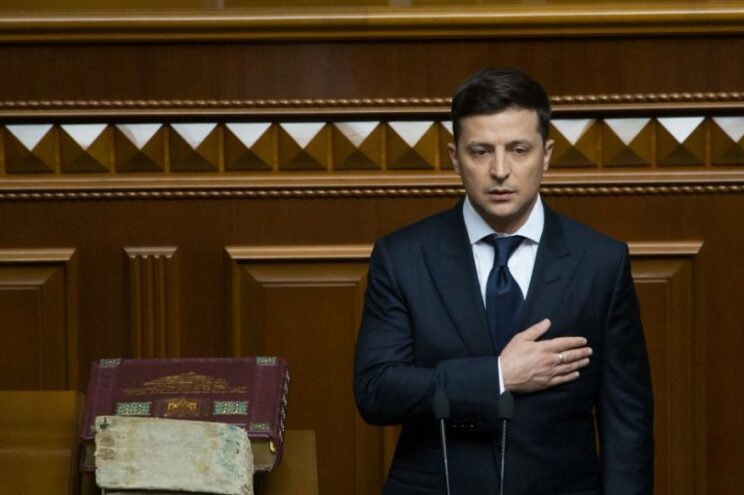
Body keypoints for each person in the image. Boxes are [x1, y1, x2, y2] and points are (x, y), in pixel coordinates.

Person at [353, 67, 654, 494]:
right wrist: (497, 375)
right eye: (480, 151)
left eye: (518, 150)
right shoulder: (402, 256)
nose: (499, 170)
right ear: (454, 156)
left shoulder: (601, 262)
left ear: (546, 154)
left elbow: (627, 422)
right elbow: (376, 391)